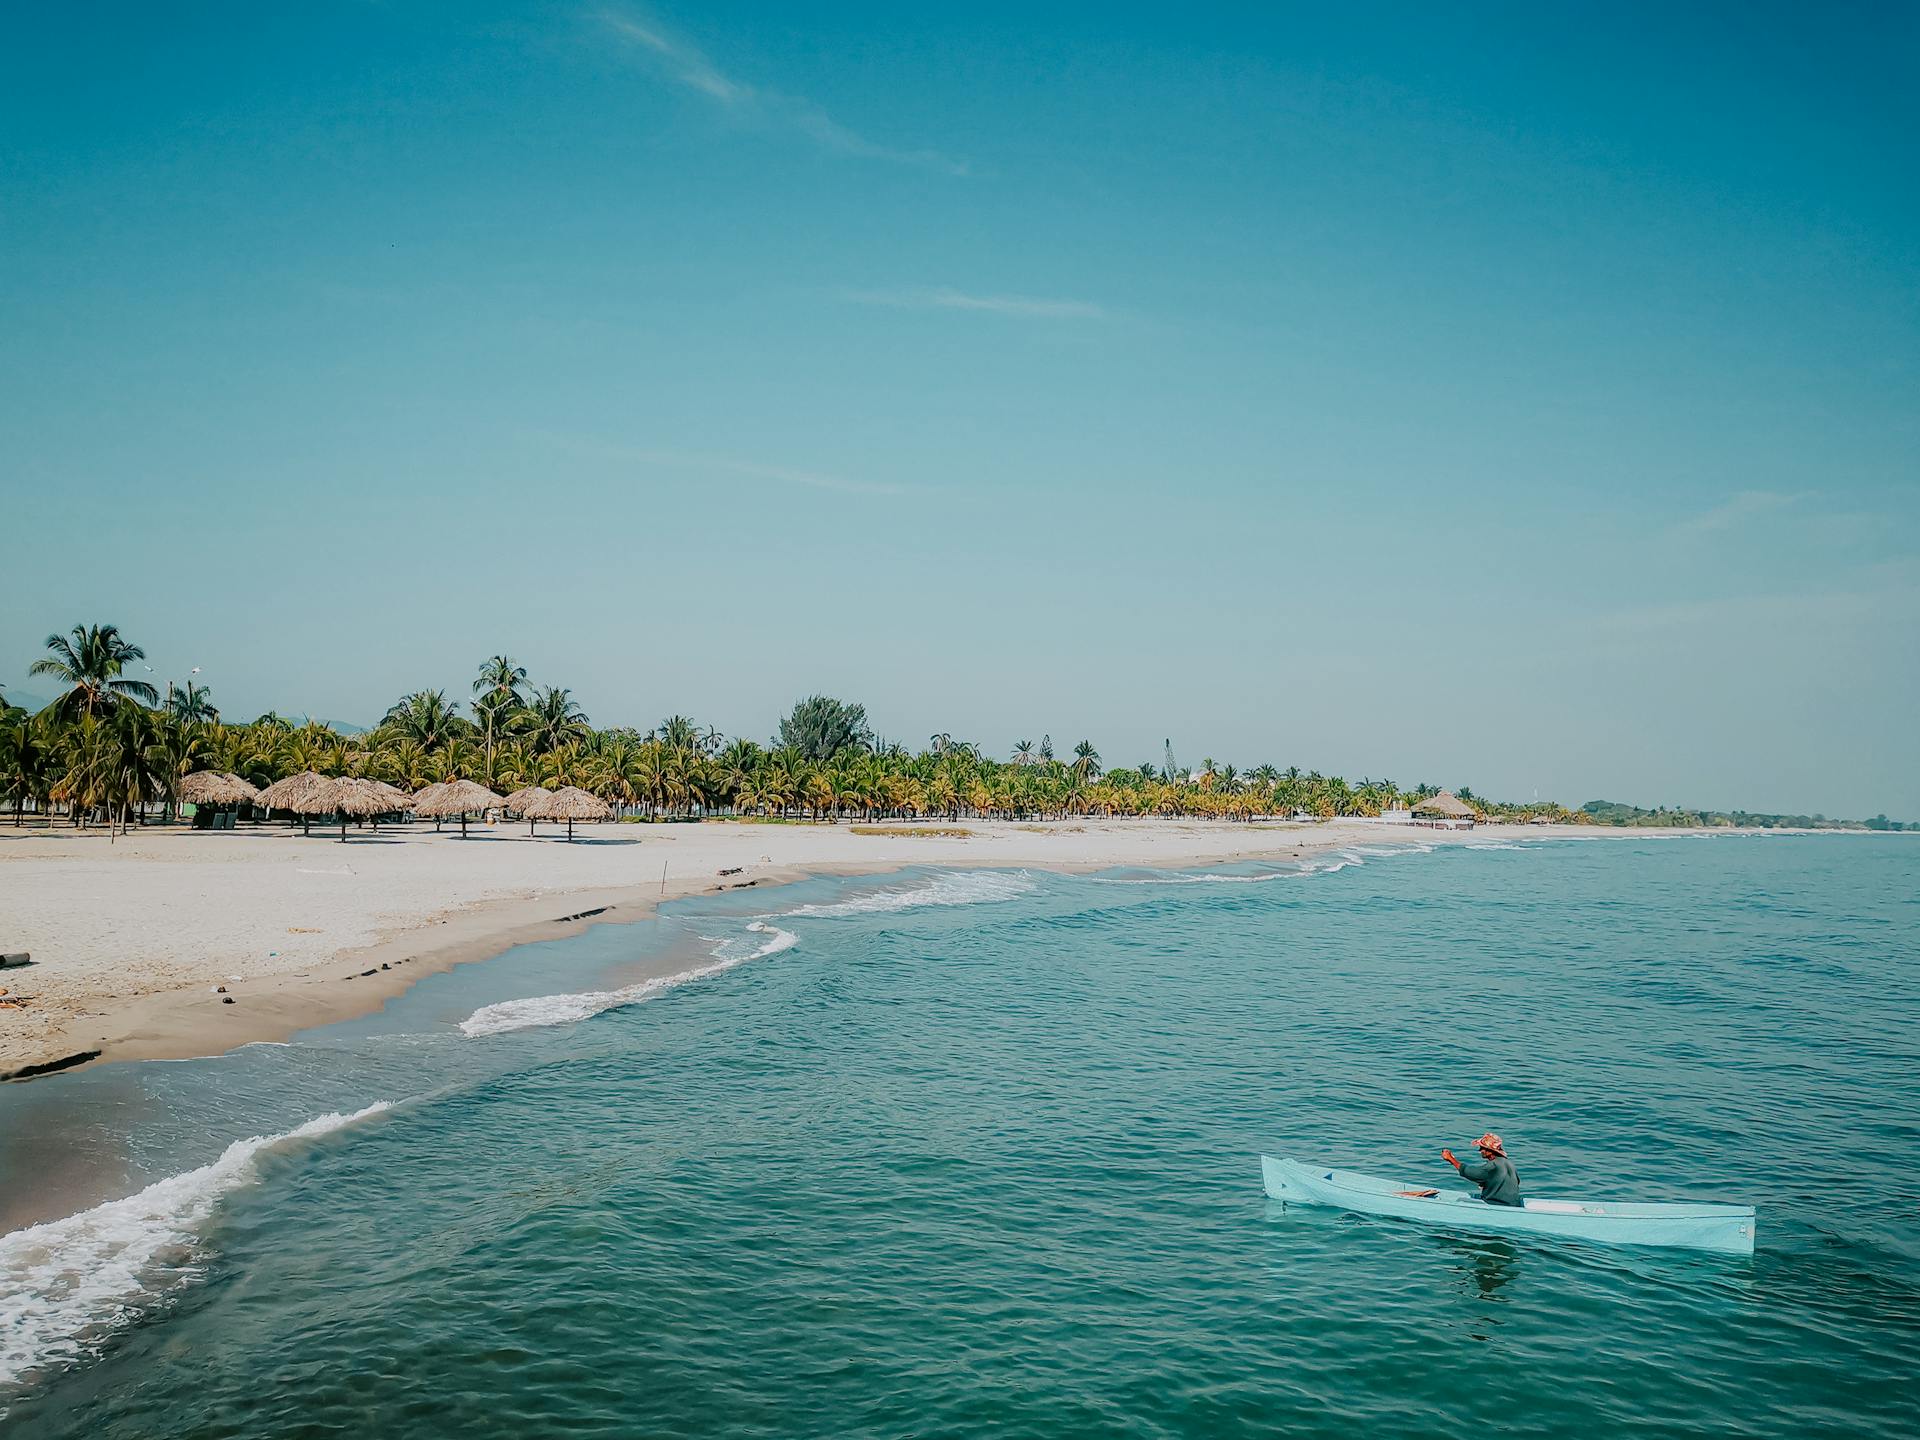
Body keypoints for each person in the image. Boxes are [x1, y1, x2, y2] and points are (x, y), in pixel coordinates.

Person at [1443, 1132, 1523, 1207]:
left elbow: (1470, 1172)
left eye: (1482, 1148)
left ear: (1490, 1151)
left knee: (1461, 1201)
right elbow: (1515, 1181)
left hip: (1497, 1204)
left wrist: (1451, 1159)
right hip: (1514, 1204)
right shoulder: (1509, 1163)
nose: (1480, 1150)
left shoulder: (1493, 1165)